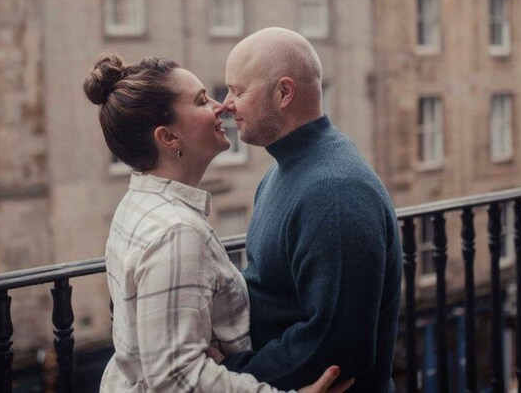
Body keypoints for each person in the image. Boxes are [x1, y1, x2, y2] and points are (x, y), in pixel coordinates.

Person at [83, 54, 353, 393]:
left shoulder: (137, 204)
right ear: (168, 138)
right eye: (200, 101)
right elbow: (175, 379)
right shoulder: (176, 233)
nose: (220, 106)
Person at [220, 28, 402, 392]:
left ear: (284, 93)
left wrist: (228, 374)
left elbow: (337, 347)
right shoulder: (279, 174)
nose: (226, 104)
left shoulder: (335, 193)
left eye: (239, 91)